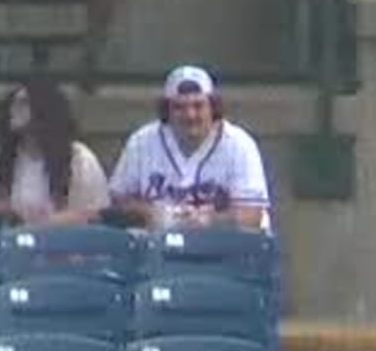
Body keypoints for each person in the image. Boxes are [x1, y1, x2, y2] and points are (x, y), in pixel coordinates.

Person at [112, 67, 273, 232]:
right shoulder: (141, 142)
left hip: (224, 249)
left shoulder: (239, 145)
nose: (190, 115)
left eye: (198, 105)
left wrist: (209, 220)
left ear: (213, 107)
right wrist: (151, 213)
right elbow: (117, 201)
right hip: (158, 250)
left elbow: (251, 215)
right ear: (166, 111)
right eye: (179, 107)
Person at [0, 79, 108, 228]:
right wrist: (12, 210)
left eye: (23, 103)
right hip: (14, 241)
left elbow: (95, 213)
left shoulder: (80, 157)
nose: (13, 109)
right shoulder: (0, 155)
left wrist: (48, 221)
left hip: (65, 241)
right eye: (13, 103)